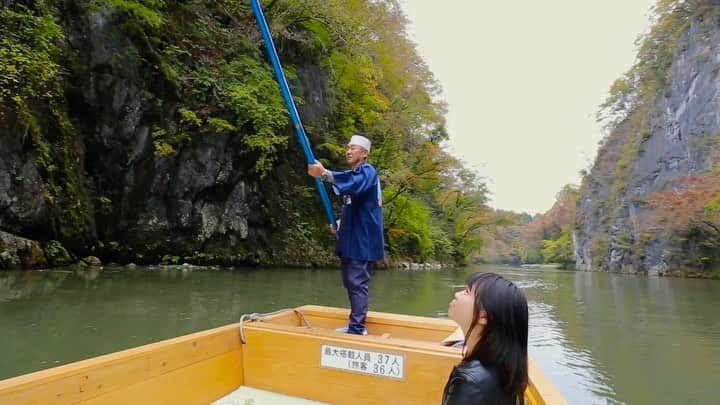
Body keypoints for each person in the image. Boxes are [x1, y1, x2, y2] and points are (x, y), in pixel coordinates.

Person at [307, 134, 384, 335]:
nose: (348, 151)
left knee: (357, 282)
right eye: (347, 147)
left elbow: (353, 184)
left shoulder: (367, 171)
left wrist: (324, 173)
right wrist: (340, 223)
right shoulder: (356, 175)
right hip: (351, 237)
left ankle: (358, 327)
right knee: (350, 281)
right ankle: (354, 323)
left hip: (362, 239)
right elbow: (355, 205)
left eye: (353, 148)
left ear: (364, 153)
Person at [443, 272, 529, 405]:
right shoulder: (504, 369)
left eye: (467, 292)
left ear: (484, 317)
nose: (457, 294)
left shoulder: (470, 382)